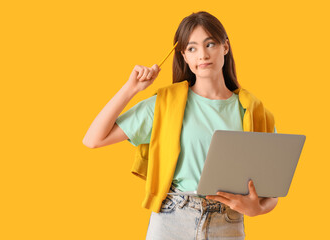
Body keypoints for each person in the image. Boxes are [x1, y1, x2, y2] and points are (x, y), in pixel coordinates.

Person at [83, 11, 278, 240]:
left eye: (210, 44)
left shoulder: (254, 111)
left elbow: (272, 189)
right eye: (192, 48)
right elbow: (93, 139)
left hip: (228, 222)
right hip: (172, 219)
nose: (203, 55)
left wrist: (258, 209)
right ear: (184, 56)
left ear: (225, 47)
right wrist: (131, 89)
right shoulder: (165, 104)